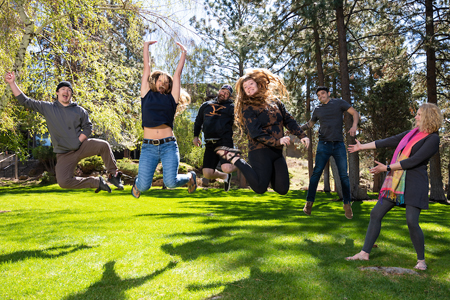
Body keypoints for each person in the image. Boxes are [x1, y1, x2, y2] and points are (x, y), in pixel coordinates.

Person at [345, 103, 442, 271]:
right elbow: (387, 141)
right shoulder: (412, 133)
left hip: (414, 182)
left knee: (412, 221)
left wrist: (387, 167)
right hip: (396, 182)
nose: (416, 117)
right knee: (376, 213)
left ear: (427, 117)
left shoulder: (433, 138)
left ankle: (421, 261)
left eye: (419, 114)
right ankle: (364, 253)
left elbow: (414, 160)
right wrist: (362, 146)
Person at [4, 72, 123, 193]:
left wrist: (78, 141)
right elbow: (25, 101)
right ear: (57, 93)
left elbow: (88, 127)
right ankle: (97, 182)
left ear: (71, 93)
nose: (66, 92)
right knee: (63, 182)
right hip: (64, 154)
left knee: (104, 145)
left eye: (68, 90)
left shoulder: (79, 110)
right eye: (63, 89)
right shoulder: (48, 108)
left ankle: (113, 175)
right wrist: (12, 83)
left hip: (81, 146)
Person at [215, 68, 309, 195]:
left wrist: (302, 135)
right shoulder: (247, 107)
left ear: (258, 84)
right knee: (260, 188)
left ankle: (265, 173)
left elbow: (288, 119)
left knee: (282, 189)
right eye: (245, 87)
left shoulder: (275, 101)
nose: (248, 87)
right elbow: (255, 133)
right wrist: (278, 141)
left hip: (277, 151)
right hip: (259, 150)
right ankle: (236, 159)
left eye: (251, 84)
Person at [131, 40, 196, 198]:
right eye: (160, 80)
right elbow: (147, 68)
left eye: (166, 82)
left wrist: (183, 53)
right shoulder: (146, 95)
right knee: (144, 186)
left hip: (168, 146)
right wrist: (145, 46)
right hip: (148, 147)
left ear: (169, 87)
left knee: (171, 183)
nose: (163, 83)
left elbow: (177, 74)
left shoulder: (171, 99)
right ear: (154, 82)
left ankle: (190, 178)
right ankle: (137, 184)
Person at [301, 86, 359, 219]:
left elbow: (355, 113)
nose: (321, 97)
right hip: (323, 145)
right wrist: (296, 130)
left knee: (344, 175)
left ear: (328, 93)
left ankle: (347, 204)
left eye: (323, 94)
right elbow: (309, 124)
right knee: (316, 173)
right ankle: (309, 203)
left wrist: (354, 126)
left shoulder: (339, 103)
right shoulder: (318, 110)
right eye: (319, 96)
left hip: (338, 145)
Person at [193, 84, 237, 191]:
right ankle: (225, 177)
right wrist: (196, 136)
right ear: (219, 91)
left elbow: (239, 122)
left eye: (227, 93)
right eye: (223, 91)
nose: (224, 94)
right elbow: (198, 122)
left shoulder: (231, 107)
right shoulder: (206, 105)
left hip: (224, 141)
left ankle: (241, 163)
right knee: (207, 173)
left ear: (229, 97)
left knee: (226, 168)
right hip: (209, 142)